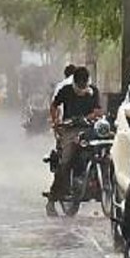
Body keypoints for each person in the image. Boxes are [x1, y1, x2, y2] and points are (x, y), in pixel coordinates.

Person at [45, 66, 103, 216]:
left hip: (89, 130)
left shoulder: (93, 92)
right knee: (65, 161)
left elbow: (98, 111)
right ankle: (52, 199)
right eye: (80, 85)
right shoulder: (66, 91)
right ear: (74, 82)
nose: (82, 88)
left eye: (85, 85)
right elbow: (54, 105)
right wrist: (56, 122)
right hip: (70, 130)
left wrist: (89, 118)